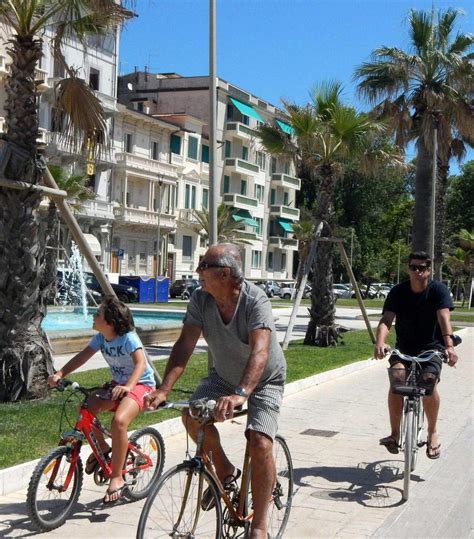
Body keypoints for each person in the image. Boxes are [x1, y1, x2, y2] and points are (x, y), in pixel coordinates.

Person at [145, 243, 286, 539]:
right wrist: (164, 388)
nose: (197, 271)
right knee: (191, 415)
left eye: (203, 265)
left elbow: (260, 352)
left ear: (223, 273)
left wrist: (242, 393)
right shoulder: (201, 298)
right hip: (222, 375)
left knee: (259, 441)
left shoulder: (255, 300)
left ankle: (259, 526)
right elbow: (185, 343)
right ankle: (225, 471)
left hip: (264, 380)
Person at [48, 296, 155, 503]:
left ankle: (117, 477)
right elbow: (82, 357)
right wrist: (60, 373)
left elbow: (141, 364)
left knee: (119, 422)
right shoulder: (100, 338)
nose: (93, 316)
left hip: (140, 384)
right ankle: (105, 449)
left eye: (97, 314)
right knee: (86, 407)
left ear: (110, 322)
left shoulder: (129, 338)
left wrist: (128, 386)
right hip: (118, 385)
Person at [374, 251, 458, 459]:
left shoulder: (438, 290)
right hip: (404, 348)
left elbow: (443, 318)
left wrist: (449, 346)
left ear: (429, 270)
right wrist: (379, 342)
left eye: (422, 268)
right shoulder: (398, 292)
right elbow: (387, 319)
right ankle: (394, 435)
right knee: (397, 379)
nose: (417, 271)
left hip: (431, 349)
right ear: (408, 269)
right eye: (413, 267)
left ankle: (432, 433)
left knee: (429, 383)